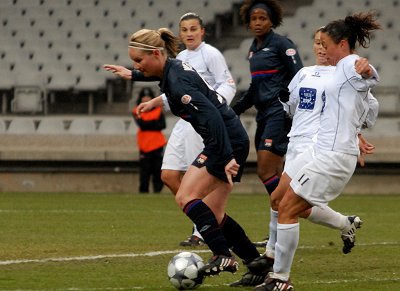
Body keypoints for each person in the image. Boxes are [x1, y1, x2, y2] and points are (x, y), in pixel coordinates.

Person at [109, 27, 262, 278]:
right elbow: (161, 74)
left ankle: (222, 255)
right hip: (229, 138)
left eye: (138, 60)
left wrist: (226, 157)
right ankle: (257, 264)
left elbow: (213, 117)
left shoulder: (178, 82)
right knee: (214, 213)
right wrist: (134, 74)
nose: (136, 64)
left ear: (157, 53)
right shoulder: (173, 69)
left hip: (225, 140)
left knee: (185, 196)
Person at [254, 12, 381, 290]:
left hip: (333, 157)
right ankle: (278, 272)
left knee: (287, 207)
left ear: (342, 44)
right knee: (284, 202)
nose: (323, 48)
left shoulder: (347, 64)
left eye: (326, 43)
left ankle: (280, 278)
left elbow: (366, 74)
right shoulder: (329, 73)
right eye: (318, 42)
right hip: (324, 152)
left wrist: (366, 70)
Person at [104, 12, 236, 247]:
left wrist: (217, 104)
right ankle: (207, 221)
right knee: (169, 175)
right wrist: (151, 97)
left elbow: (227, 83)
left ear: (202, 31)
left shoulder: (211, 54)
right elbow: (173, 87)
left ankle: (203, 231)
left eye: (193, 29)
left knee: (196, 180)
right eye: (184, 30)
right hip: (187, 117)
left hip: (205, 118)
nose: (189, 34)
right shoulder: (180, 57)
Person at [232, 0, 303, 247]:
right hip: (263, 115)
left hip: (279, 115)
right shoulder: (253, 48)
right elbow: (255, 88)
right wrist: (235, 110)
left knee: (265, 170)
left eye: (263, 18)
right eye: (254, 19)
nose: (258, 23)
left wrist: (290, 109)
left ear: (272, 20)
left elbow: (300, 78)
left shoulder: (283, 45)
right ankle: (290, 216)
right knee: (278, 175)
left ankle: (287, 216)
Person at [132, 87, 166, 193]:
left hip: (157, 144)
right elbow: (142, 125)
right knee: (144, 172)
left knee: (157, 170)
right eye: (144, 97)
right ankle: (143, 191)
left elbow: (162, 125)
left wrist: (148, 124)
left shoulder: (158, 110)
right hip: (144, 145)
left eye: (148, 97)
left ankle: (157, 191)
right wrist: (153, 123)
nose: (146, 100)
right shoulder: (136, 110)